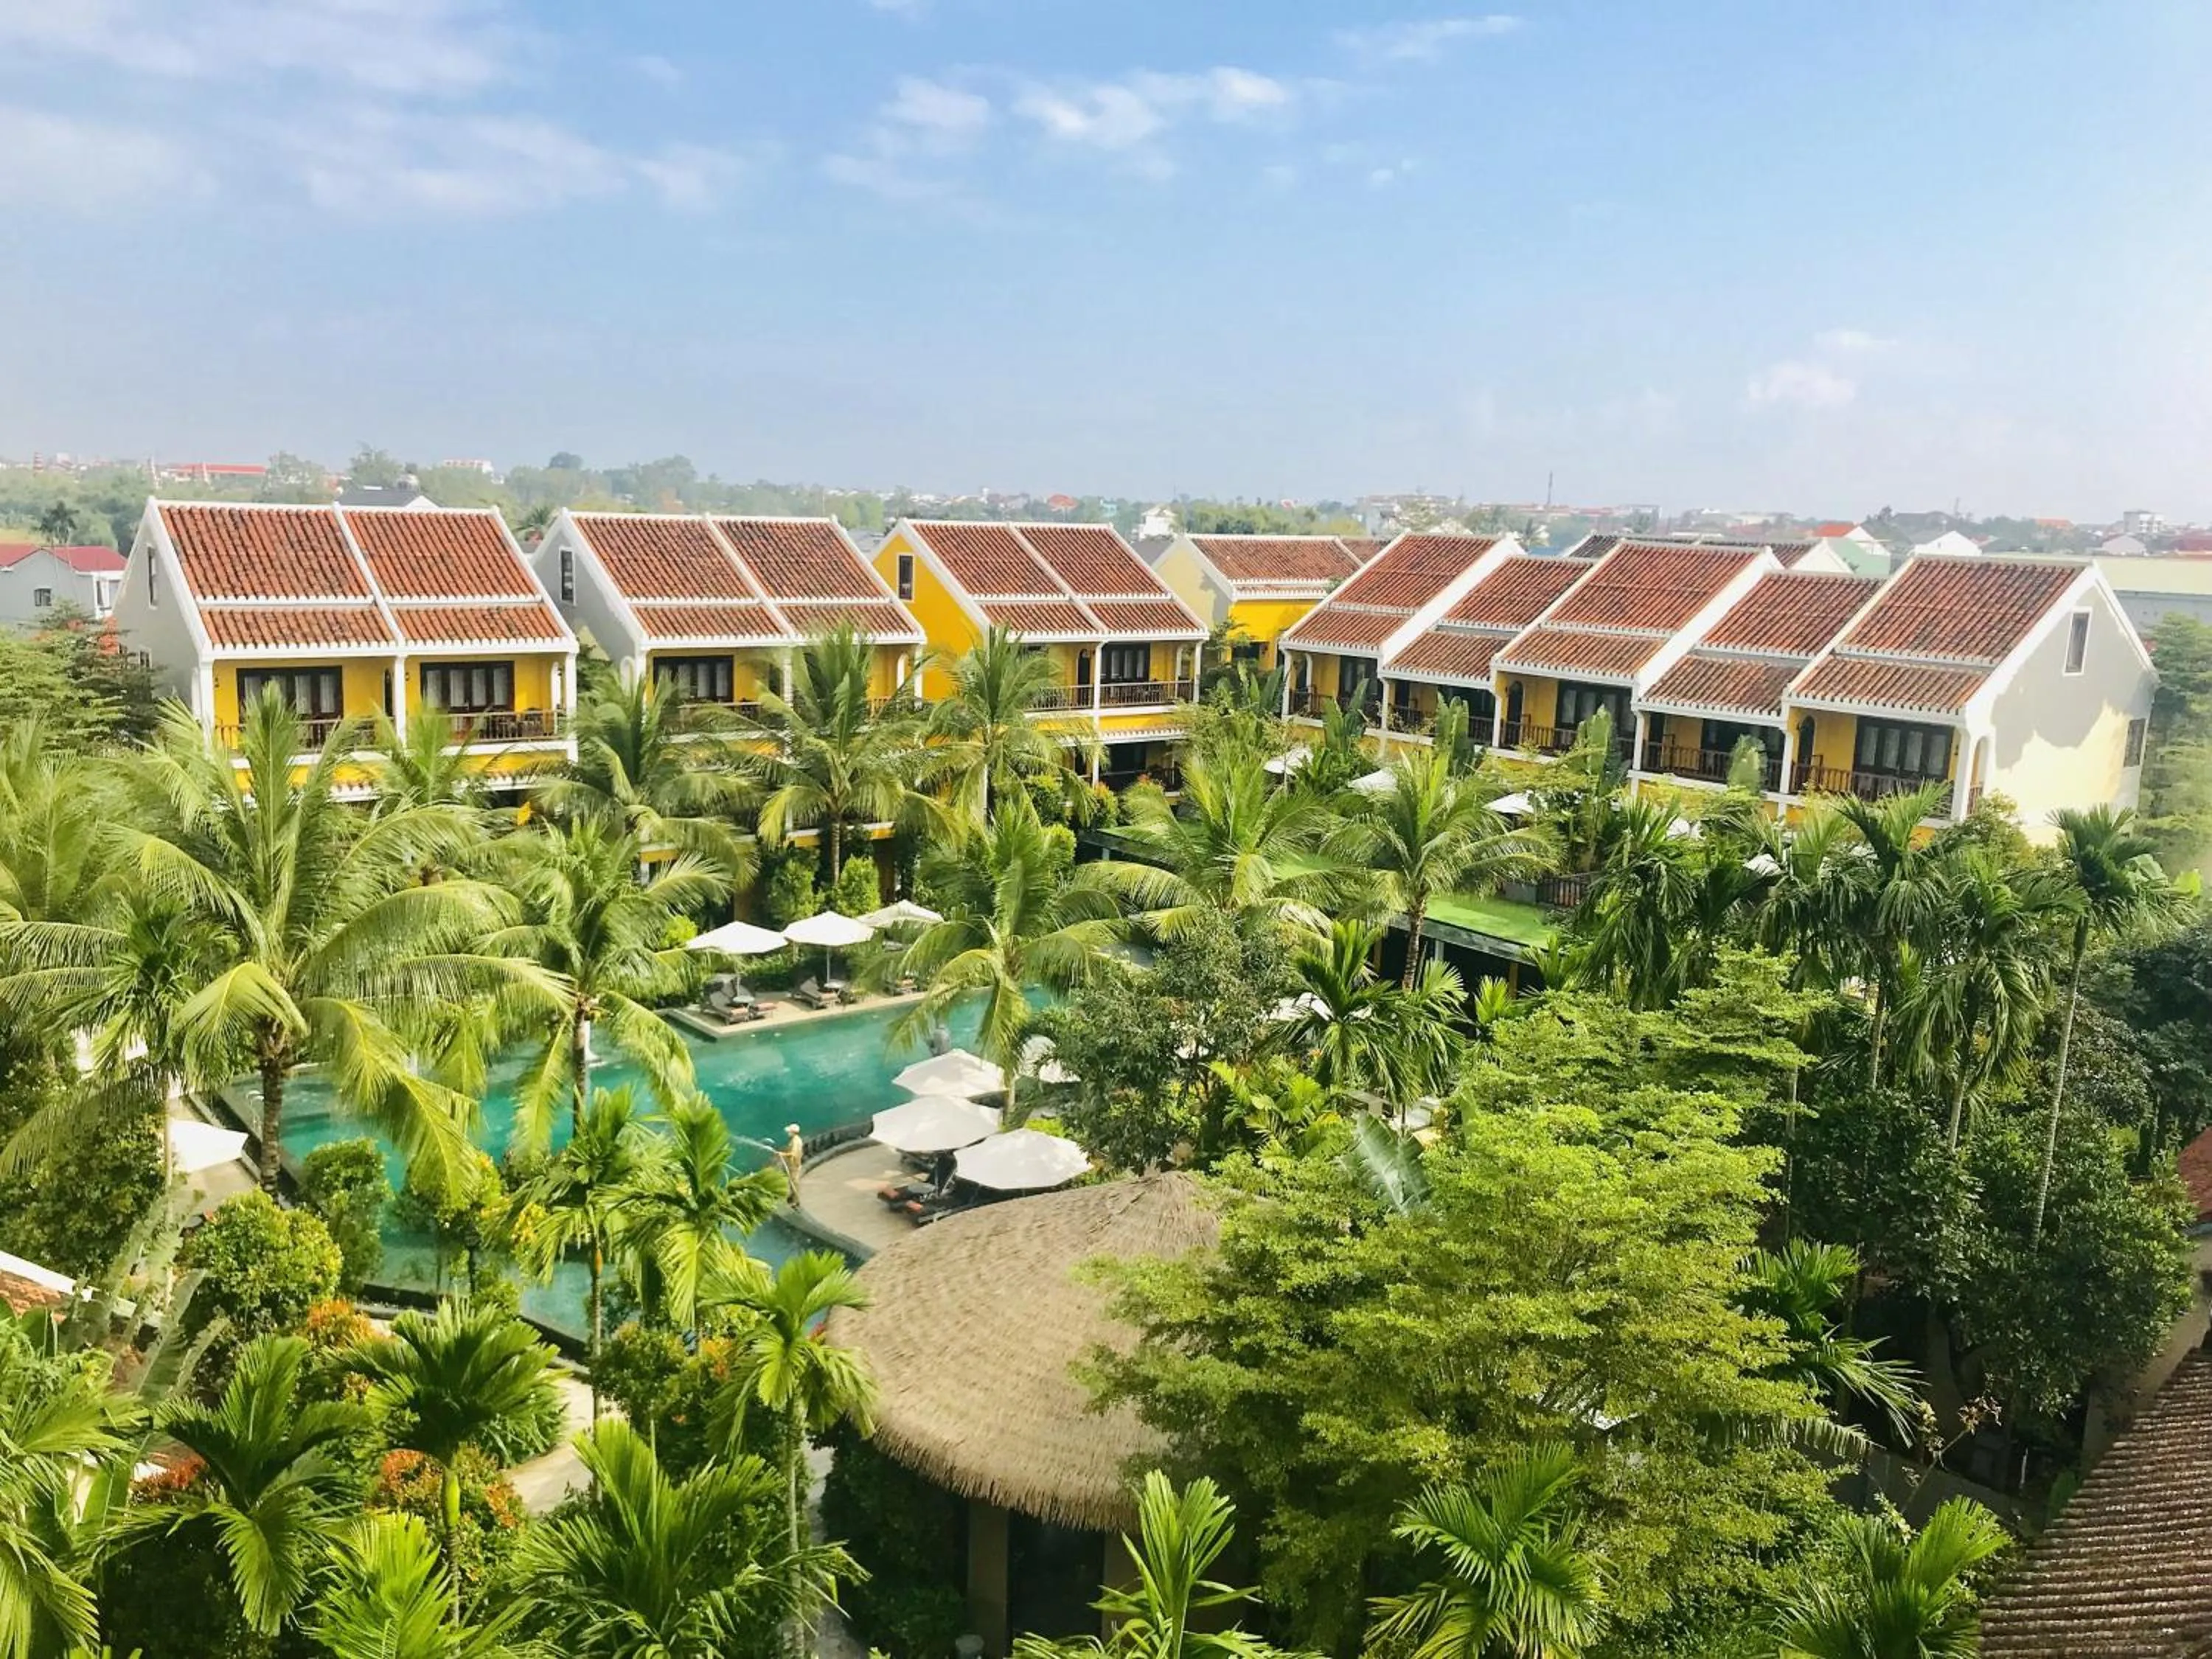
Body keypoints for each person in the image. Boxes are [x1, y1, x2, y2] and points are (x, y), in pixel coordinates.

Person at [779, 1123, 804, 1207]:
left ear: (793, 1132)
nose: (788, 1133)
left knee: (794, 1183)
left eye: (789, 1132)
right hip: (793, 1165)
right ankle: (793, 1197)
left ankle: (796, 1201)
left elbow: (793, 1154)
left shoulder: (795, 1141)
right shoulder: (796, 1140)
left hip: (794, 1165)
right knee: (792, 1182)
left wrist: (782, 1154)